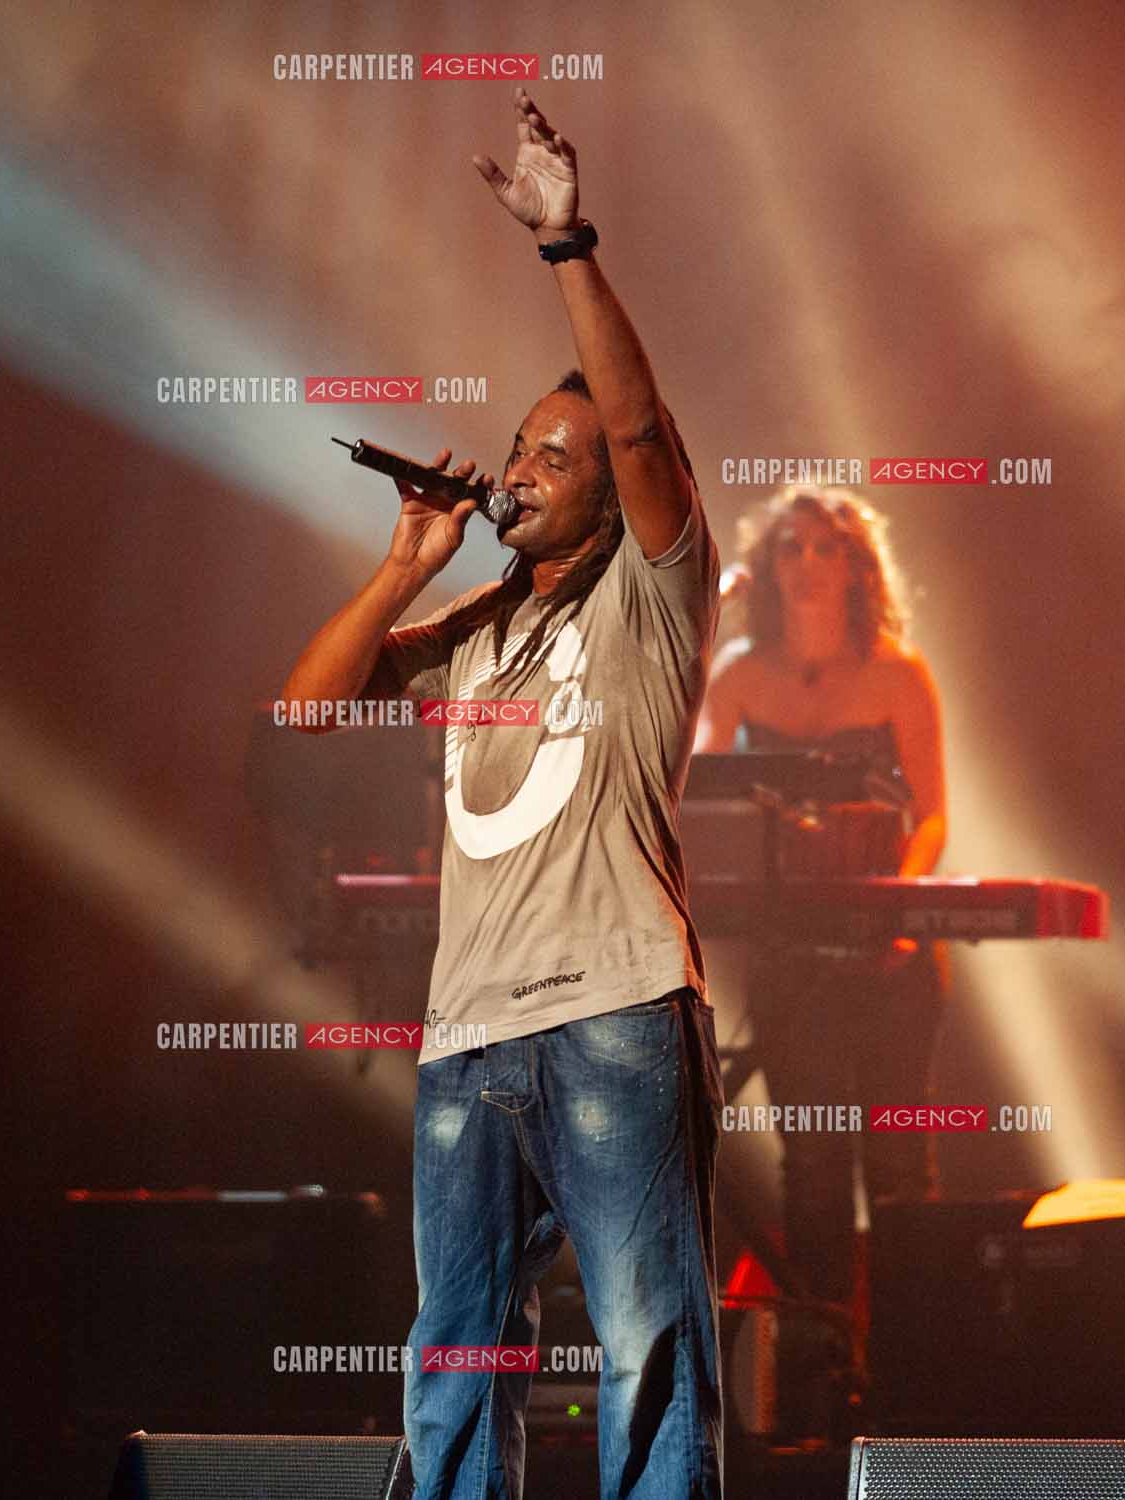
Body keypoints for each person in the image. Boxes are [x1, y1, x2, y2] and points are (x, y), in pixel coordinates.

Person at [280, 88, 723, 1499]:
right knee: (455, 1352)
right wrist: (405, 566)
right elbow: (303, 718)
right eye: (518, 448)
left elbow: (644, 435)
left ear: (607, 496)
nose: (518, 469)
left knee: (646, 1344)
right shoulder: (472, 627)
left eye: (552, 455)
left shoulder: (652, 594)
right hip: (466, 1036)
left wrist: (565, 245)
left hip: (610, 1014)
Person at [694, 487, 948, 1415]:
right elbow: (699, 793)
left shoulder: (897, 674)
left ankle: (921, 1371)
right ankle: (820, 1377)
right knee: (812, 1162)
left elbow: (935, 813)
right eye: (790, 547)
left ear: (854, 565)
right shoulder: (739, 671)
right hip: (788, 949)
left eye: (824, 546)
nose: (805, 562)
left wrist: (906, 907)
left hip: (889, 948)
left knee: (897, 1163)